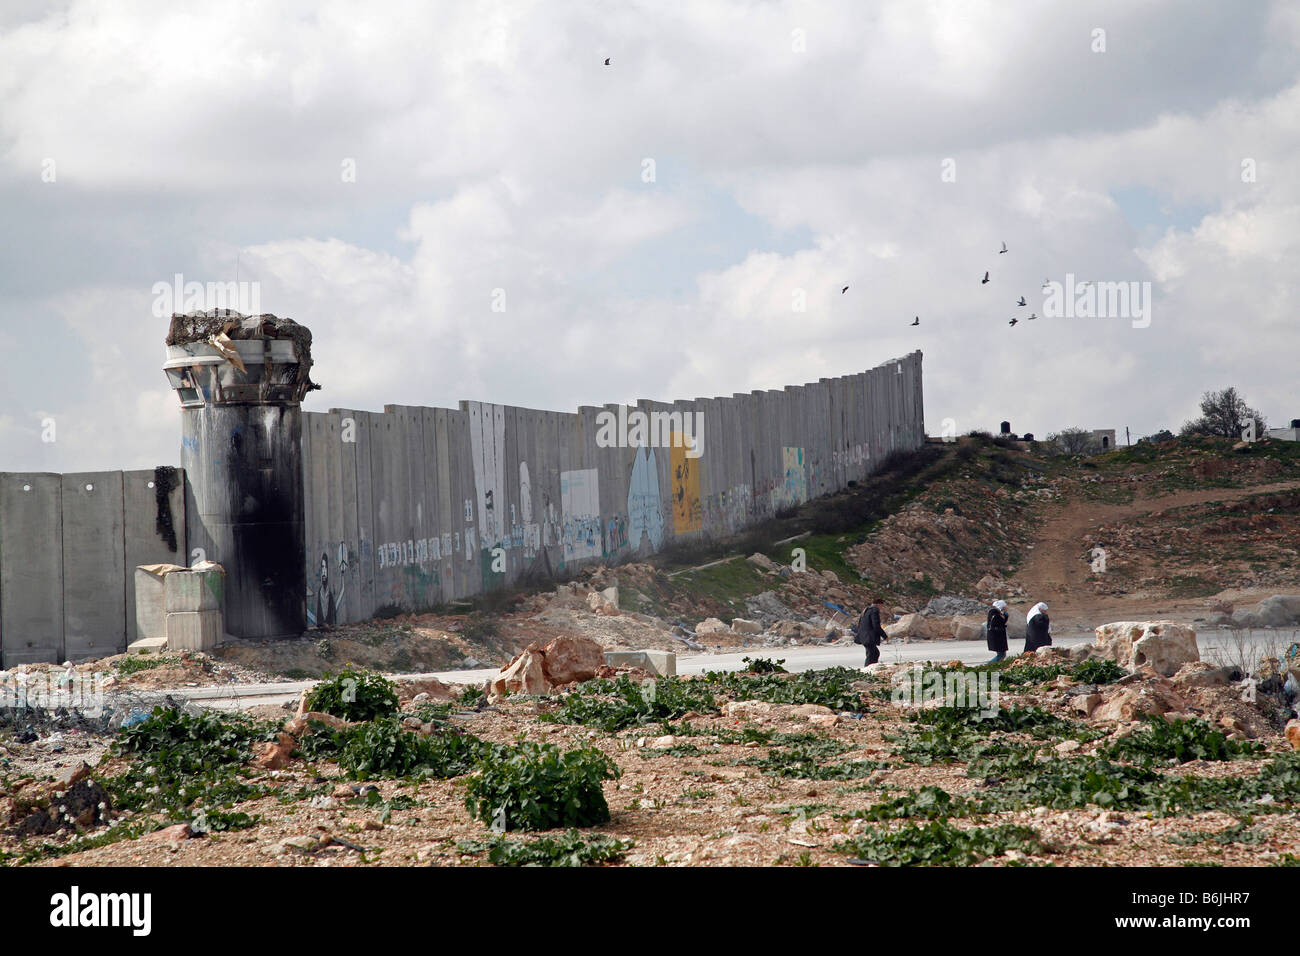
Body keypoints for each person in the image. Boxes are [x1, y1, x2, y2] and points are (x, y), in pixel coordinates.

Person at [854, 597, 889, 667]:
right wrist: (885, 636)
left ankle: (870, 669)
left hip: (863, 636)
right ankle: (868, 670)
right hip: (868, 637)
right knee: (873, 654)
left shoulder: (866, 610)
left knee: (873, 653)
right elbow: (876, 626)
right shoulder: (874, 611)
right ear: (879, 604)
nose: (882, 608)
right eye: (882, 606)